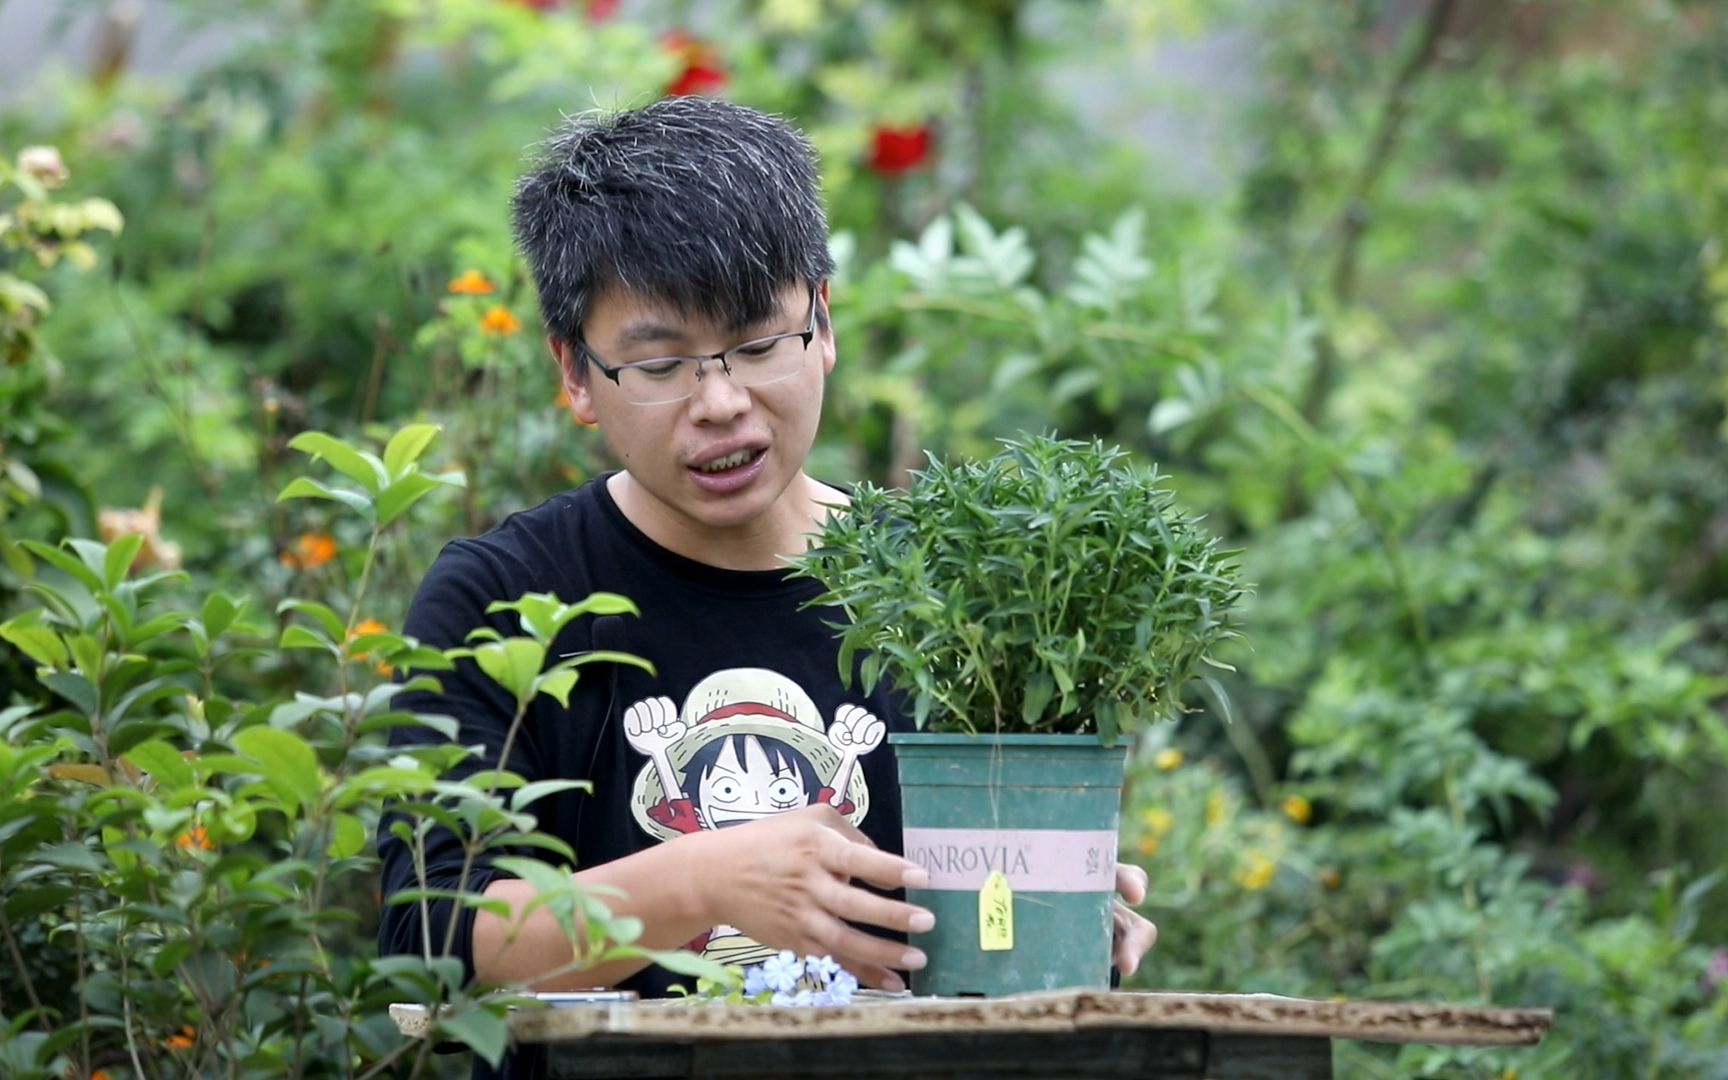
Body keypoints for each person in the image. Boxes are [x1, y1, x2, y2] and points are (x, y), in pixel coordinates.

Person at [376, 95, 1156, 1072]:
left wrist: (1054, 905)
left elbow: (973, 917)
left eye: (755, 345)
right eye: (660, 363)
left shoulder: (952, 588)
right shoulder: (504, 599)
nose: (721, 403)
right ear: (575, 374)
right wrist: (702, 879)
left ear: (823, 321)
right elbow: (434, 944)